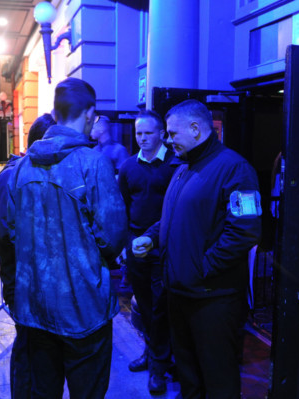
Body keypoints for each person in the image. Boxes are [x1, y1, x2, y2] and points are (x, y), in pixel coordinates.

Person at [6, 78, 127, 398]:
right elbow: (113, 236)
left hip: (34, 309)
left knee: (43, 392)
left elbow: (12, 230)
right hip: (83, 310)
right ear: (89, 113)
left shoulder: (21, 167)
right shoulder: (93, 163)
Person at [132, 100, 262, 399]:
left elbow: (245, 232)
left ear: (195, 128)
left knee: (218, 379)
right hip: (181, 294)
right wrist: (152, 237)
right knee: (189, 375)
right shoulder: (183, 167)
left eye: (172, 133)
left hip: (212, 299)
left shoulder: (235, 168)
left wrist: (201, 269)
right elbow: (173, 217)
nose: (168, 140)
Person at [0, 112, 55, 399]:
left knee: (37, 350)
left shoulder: (30, 172)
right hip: (21, 283)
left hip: (33, 282)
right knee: (28, 350)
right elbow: (9, 235)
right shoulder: (12, 178)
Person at [117, 110, 176, 394]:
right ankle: (153, 354)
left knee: (159, 308)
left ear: (161, 133)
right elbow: (124, 207)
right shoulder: (129, 167)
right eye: (139, 133)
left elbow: (175, 210)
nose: (142, 138)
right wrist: (126, 244)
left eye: (148, 133)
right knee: (143, 305)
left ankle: (159, 368)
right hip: (136, 248)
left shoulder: (174, 165)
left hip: (163, 249)